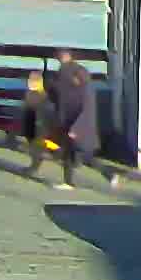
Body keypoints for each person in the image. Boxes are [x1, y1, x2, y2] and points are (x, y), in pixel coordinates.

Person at [48, 54, 98, 188]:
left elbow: (84, 111)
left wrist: (75, 129)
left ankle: (109, 175)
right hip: (72, 125)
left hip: (75, 127)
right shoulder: (81, 89)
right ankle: (68, 180)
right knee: (71, 153)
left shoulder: (82, 92)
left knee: (82, 154)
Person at [18, 72, 54, 180]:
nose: (30, 82)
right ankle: (33, 166)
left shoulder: (41, 95)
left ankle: (33, 168)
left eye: (33, 80)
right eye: (30, 80)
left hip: (39, 126)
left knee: (36, 149)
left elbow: (44, 111)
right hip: (32, 125)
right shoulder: (31, 93)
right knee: (33, 148)